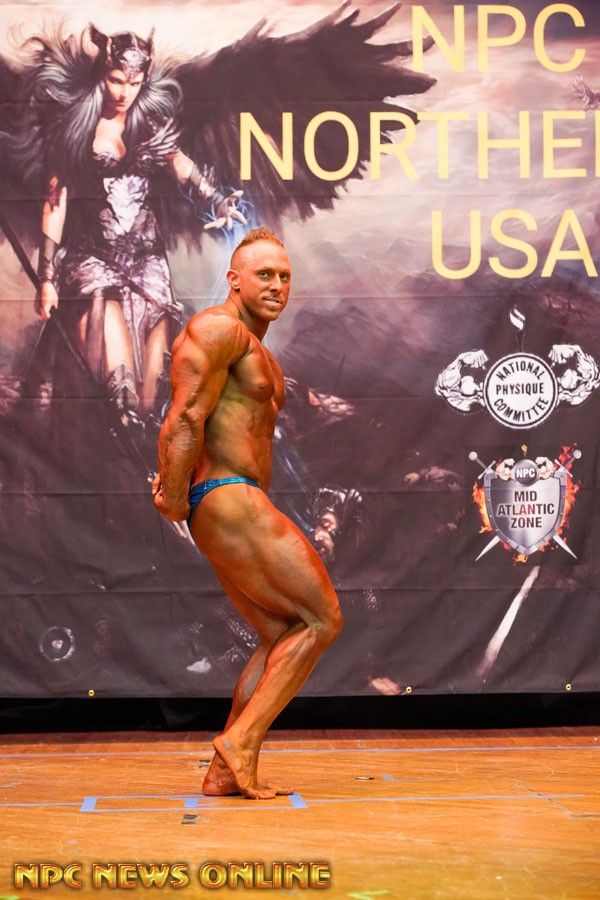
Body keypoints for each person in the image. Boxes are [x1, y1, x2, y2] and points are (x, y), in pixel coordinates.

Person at [153, 227, 343, 799]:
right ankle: (239, 741)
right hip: (227, 495)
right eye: (265, 275)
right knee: (322, 619)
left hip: (234, 498)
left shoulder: (258, 351)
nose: (278, 285)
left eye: (285, 276)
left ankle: (224, 771)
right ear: (234, 279)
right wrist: (172, 493)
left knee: (283, 631)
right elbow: (185, 415)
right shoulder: (218, 329)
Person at [32, 27, 243, 422]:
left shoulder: (148, 125)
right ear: (102, 75)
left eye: (133, 82)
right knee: (121, 388)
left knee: (155, 396)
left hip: (148, 265)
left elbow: (181, 166)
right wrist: (46, 277)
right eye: (116, 80)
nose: (124, 92)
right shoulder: (75, 130)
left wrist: (215, 198)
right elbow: (55, 203)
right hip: (94, 263)